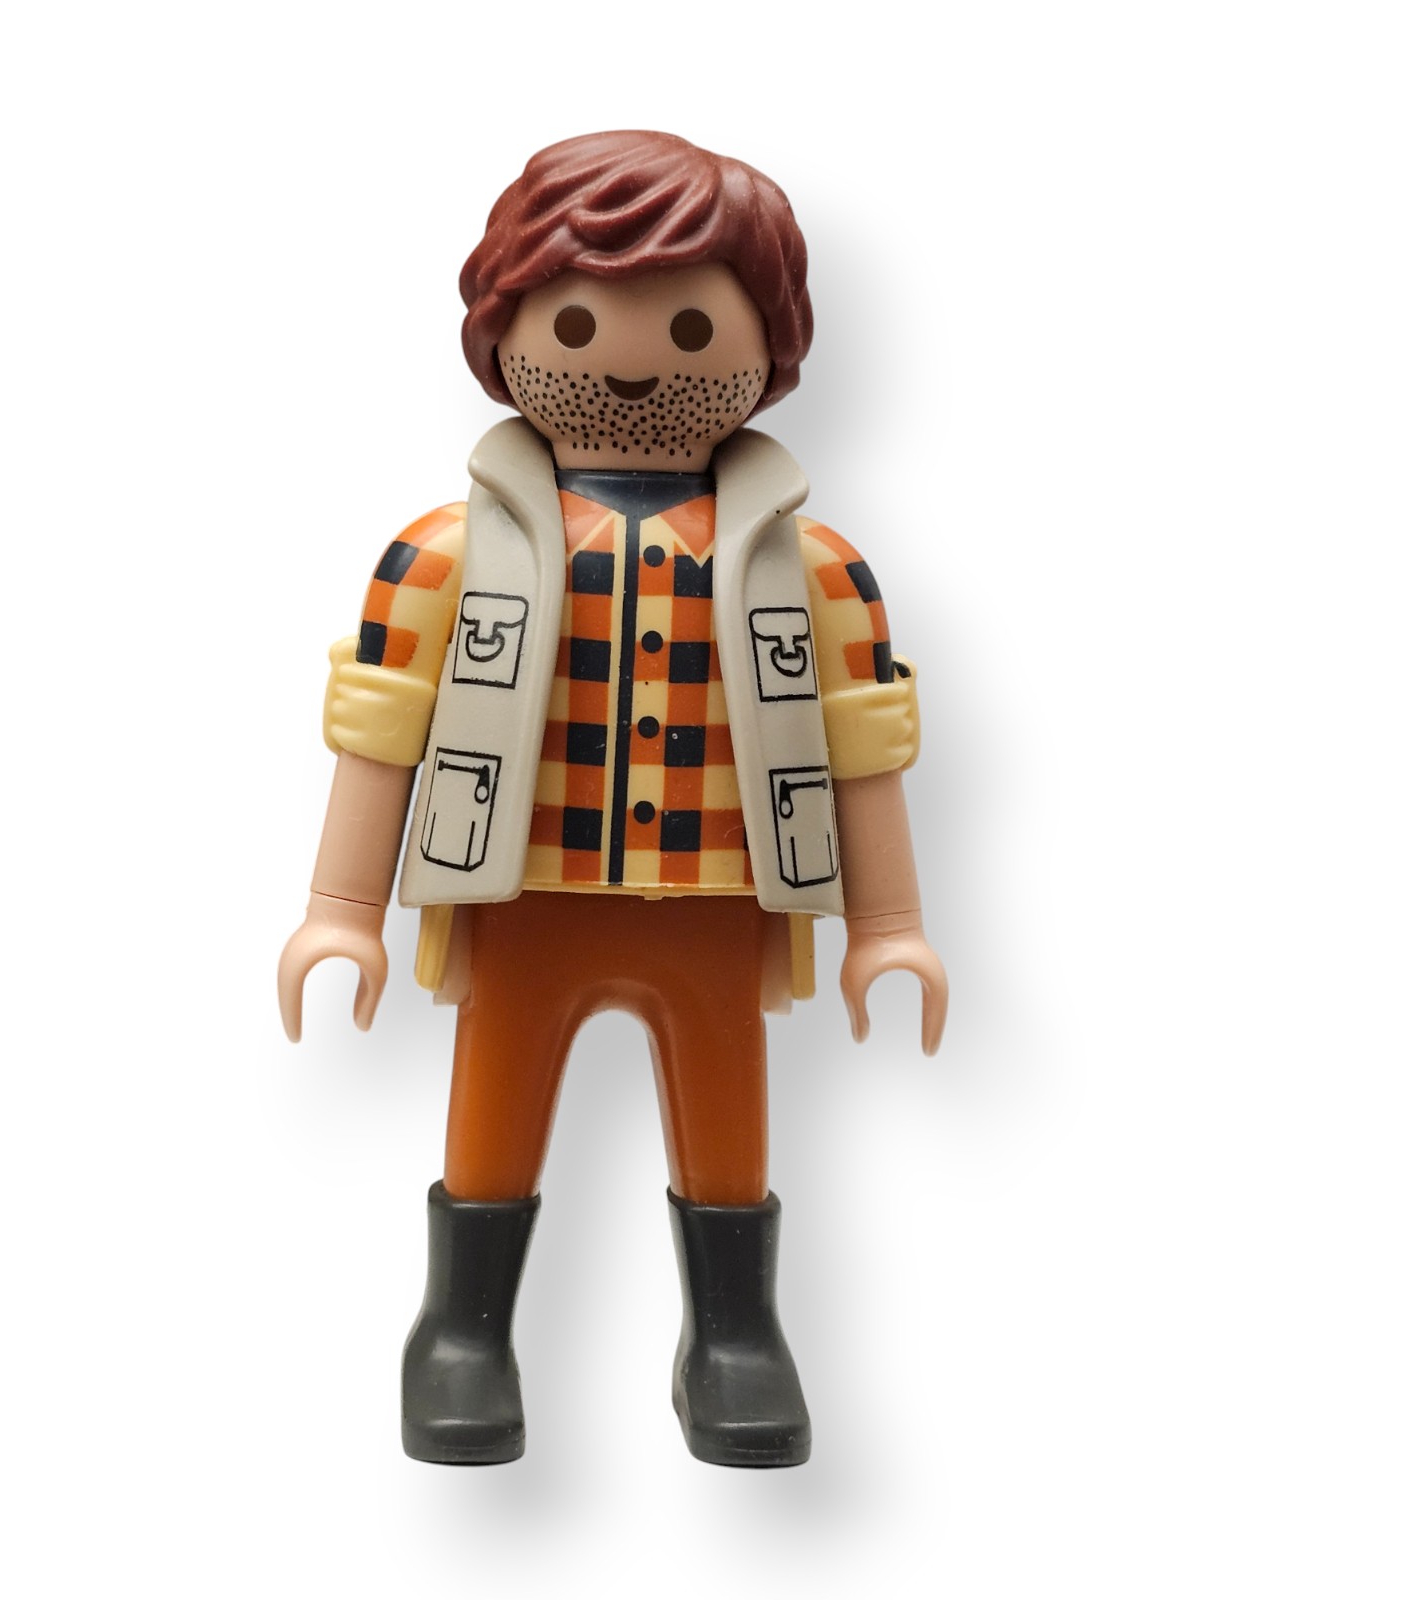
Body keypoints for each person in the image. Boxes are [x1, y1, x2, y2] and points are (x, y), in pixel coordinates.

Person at [278, 130, 946, 1467]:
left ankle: (735, 1335)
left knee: (728, 1120)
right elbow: (382, 727)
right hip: (521, 891)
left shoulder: (812, 568)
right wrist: (341, 908)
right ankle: (461, 1332)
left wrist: (889, 927)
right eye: (577, 322)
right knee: (494, 1106)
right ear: (505, 328)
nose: (635, 361)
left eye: (694, 326)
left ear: (771, 344)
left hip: (718, 901)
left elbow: (862, 743)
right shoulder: (442, 554)